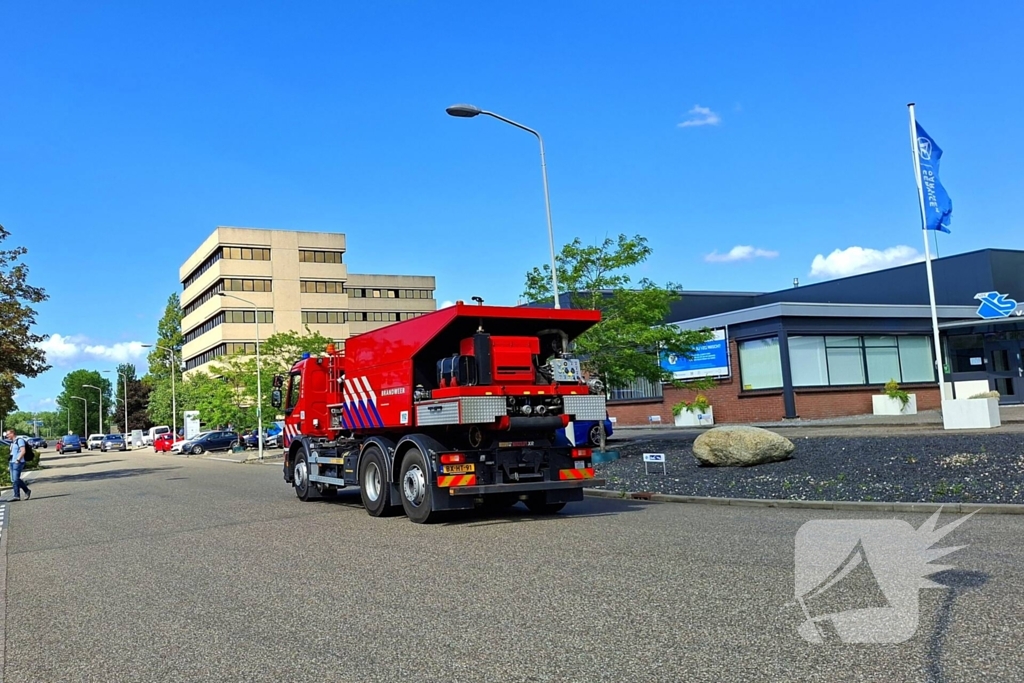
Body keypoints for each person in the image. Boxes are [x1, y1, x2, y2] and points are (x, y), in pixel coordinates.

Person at [5, 429, 32, 501]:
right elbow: (12, 453)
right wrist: (9, 462)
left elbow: (23, 451)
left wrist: (18, 460)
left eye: (8, 434)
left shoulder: (19, 440)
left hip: (18, 462)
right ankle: (17, 495)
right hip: (12, 462)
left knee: (16, 479)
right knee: (13, 480)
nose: (7, 436)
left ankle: (24, 492)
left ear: (12, 433)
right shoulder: (13, 442)